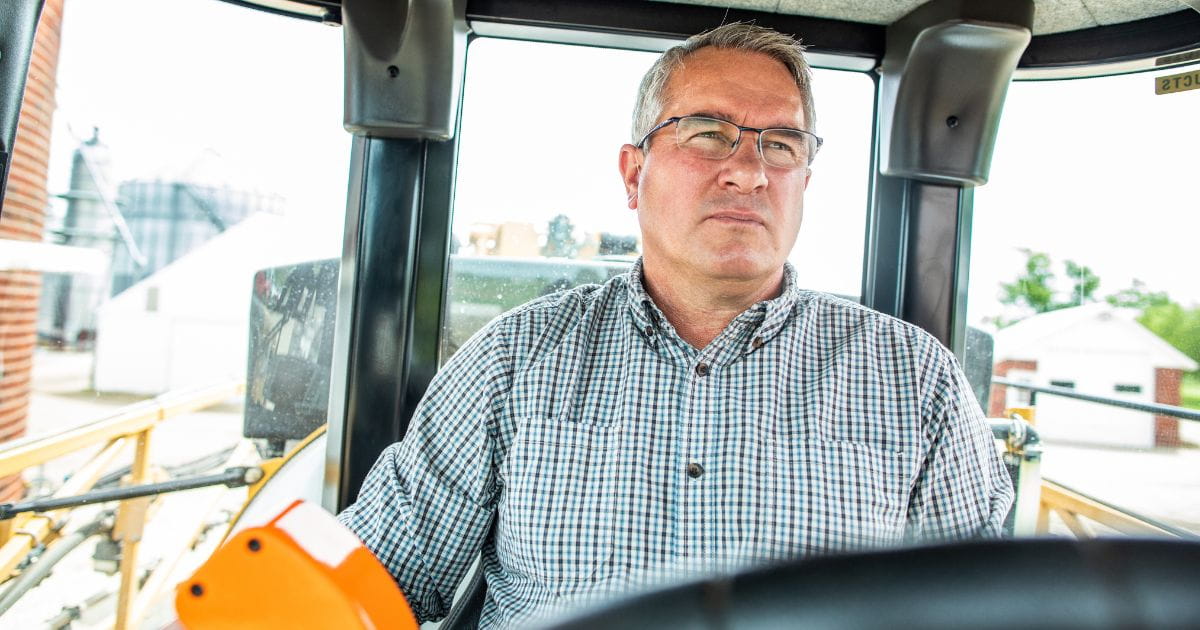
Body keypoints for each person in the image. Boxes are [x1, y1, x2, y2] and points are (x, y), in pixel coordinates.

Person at [338, 22, 1013, 629]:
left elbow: (986, 610)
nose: (748, 171)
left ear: (804, 181)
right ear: (635, 175)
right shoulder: (513, 360)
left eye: (781, 145)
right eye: (709, 134)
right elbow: (368, 577)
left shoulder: (915, 379)